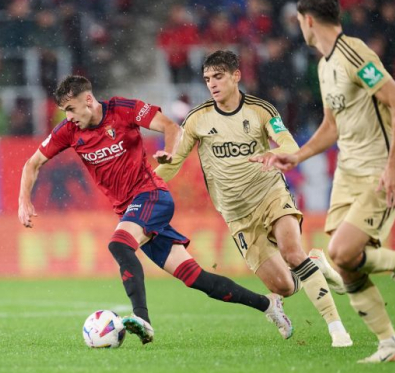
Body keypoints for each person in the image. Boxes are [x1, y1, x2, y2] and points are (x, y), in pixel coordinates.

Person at [18, 75, 293, 344]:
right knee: (196, 278)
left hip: (151, 196)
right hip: (131, 211)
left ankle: (142, 320)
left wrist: (170, 152)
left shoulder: (123, 110)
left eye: (70, 109)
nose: (68, 117)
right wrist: (24, 201)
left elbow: (171, 127)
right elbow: (32, 164)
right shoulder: (69, 131)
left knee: (119, 244)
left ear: (88, 100)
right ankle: (268, 305)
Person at [154, 50, 351, 348]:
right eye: (207, 79)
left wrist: (275, 152)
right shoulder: (197, 119)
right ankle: (314, 263)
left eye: (218, 77)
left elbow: (286, 141)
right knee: (283, 286)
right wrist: (146, 186)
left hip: (270, 194)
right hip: (237, 215)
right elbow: (174, 161)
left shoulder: (261, 110)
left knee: (291, 253)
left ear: (236, 76)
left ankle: (338, 330)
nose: (212, 84)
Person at [264, 0, 395, 363]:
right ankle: (389, 345)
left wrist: (394, 166)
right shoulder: (324, 65)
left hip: (378, 169)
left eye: (299, 21)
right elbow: (331, 126)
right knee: (347, 263)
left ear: (307, 20)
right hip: (347, 174)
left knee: (340, 253)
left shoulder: (354, 53)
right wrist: (297, 155)